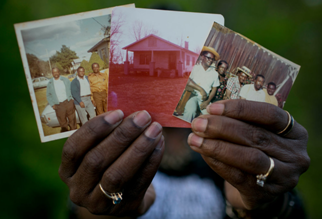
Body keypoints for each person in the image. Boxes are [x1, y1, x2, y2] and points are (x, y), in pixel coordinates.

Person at [59, 100, 309, 219]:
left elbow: (292, 212)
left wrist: (265, 205)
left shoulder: (231, 162)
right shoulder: (112, 161)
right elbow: (83, 209)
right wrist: (96, 212)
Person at [182, 46, 220, 122]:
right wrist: (201, 89)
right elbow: (187, 80)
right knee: (190, 111)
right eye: (208, 58)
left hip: (205, 100)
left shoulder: (215, 74)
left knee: (211, 119)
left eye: (212, 59)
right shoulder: (194, 68)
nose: (210, 60)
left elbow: (214, 89)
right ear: (202, 56)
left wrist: (207, 101)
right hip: (193, 96)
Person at [46, 67, 77, 132]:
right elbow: (48, 95)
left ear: (59, 72)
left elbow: (72, 89)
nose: (55, 73)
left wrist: (72, 99)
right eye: (54, 72)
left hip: (68, 102)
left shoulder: (65, 80)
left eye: (56, 72)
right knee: (62, 121)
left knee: (72, 119)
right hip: (58, 105)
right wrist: (52, 104)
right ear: (52, 73)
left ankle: (74, 132)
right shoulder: (50, 83)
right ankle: (65, 133)